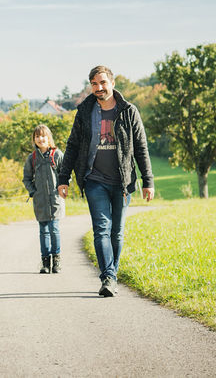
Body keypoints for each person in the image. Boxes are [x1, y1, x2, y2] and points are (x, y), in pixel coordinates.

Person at [57, 65, 154, 297]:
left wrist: (148, 180)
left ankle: (112, 274)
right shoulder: (84, 111)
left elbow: (140, 147)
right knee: (101, 229)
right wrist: (63, 178)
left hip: (123, 181)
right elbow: (72, 146)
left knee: (116, 232)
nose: (99, 88)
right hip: (94, 179)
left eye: (102, 83)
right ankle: (108, 277)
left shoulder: (129, 111)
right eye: (94, 84)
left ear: (112, 83)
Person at [22, 123, 65, 274]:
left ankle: (56, 261)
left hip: (55, 200)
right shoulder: (32, 158)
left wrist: (63, 189)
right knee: (43, 231)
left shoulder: (57, 155)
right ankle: (45, 262)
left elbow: (65, 174)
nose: (41, 139)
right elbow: (26, 178)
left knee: (54, 229)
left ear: (49, 138)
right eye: (37, 136)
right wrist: (33, 191)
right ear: (34, 139)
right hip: (40, 201)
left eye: (43, 136)